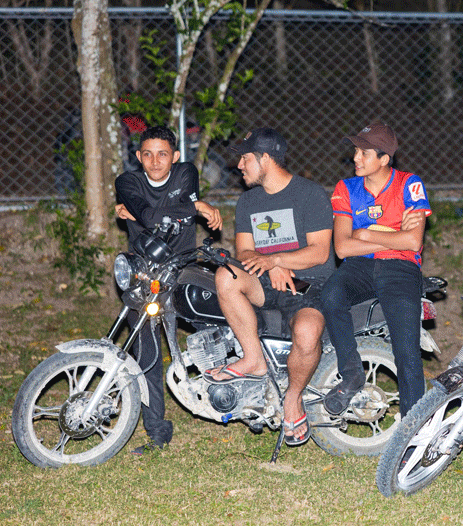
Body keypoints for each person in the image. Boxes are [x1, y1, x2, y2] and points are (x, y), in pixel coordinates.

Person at [206, 127, 334, 447]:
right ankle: (254, 359)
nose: (239, 165)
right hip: (266, 281)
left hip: (309, 284)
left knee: (307, 331)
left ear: (265, 159)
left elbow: (320, 252)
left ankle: (293, 398)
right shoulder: (248, 201)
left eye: (245, 158)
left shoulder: (310, 194)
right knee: (226, 275)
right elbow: (244, 253)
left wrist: (277, 260)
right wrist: (271, 264)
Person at [114, 126, 223, 454]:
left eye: (163, 154)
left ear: (175, 156)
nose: (155, 161)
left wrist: (141, 214)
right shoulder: (127, 182)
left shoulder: (186, 173)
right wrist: (196, 207)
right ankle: (157, 430)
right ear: (138, 156)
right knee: (145, 352)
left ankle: (233, 390)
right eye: (147, 154)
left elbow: (149, 214)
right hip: (145, 273)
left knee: (217, 327)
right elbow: (150, 217)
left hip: (184, 267)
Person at [321, 122, 431, 419]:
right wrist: (393, 235)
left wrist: (366, 234)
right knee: (331, 295)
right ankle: (352, 373)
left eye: (364, 153)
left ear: (384, 159)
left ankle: (414, 428)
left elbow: (413, 242)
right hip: (360, 265)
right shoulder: (346, 188)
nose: (355, 157)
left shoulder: (409, 184)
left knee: (407, 351)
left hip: (401, 268)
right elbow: (342, 248)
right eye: (356, 151)